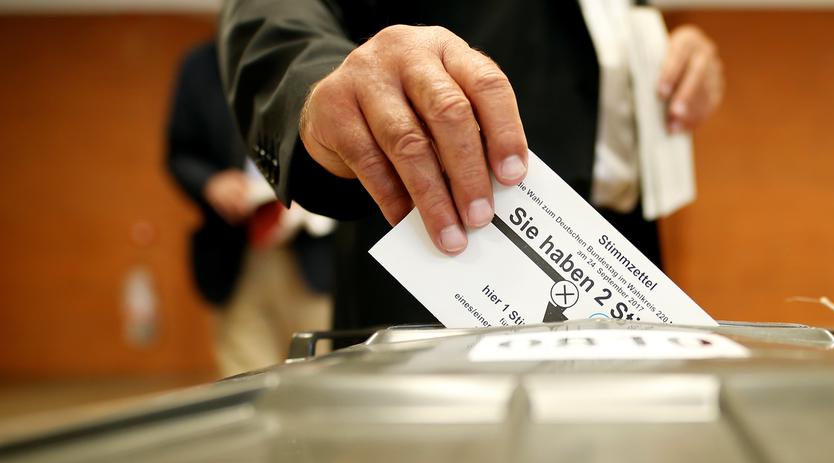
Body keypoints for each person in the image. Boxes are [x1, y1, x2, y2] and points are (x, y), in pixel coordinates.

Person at [218, 2, 724, 332]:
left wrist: (665, 48)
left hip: (618, 272)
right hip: (444, 279)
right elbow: (272, 13)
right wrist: (318, 84)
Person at [167, 39, 337, 376]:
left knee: (319, 366)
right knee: (243, 371)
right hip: (235, 246)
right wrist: (210, 182)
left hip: (311, 245)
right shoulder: (200, 66)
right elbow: (179, 153)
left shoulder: (322, 48)